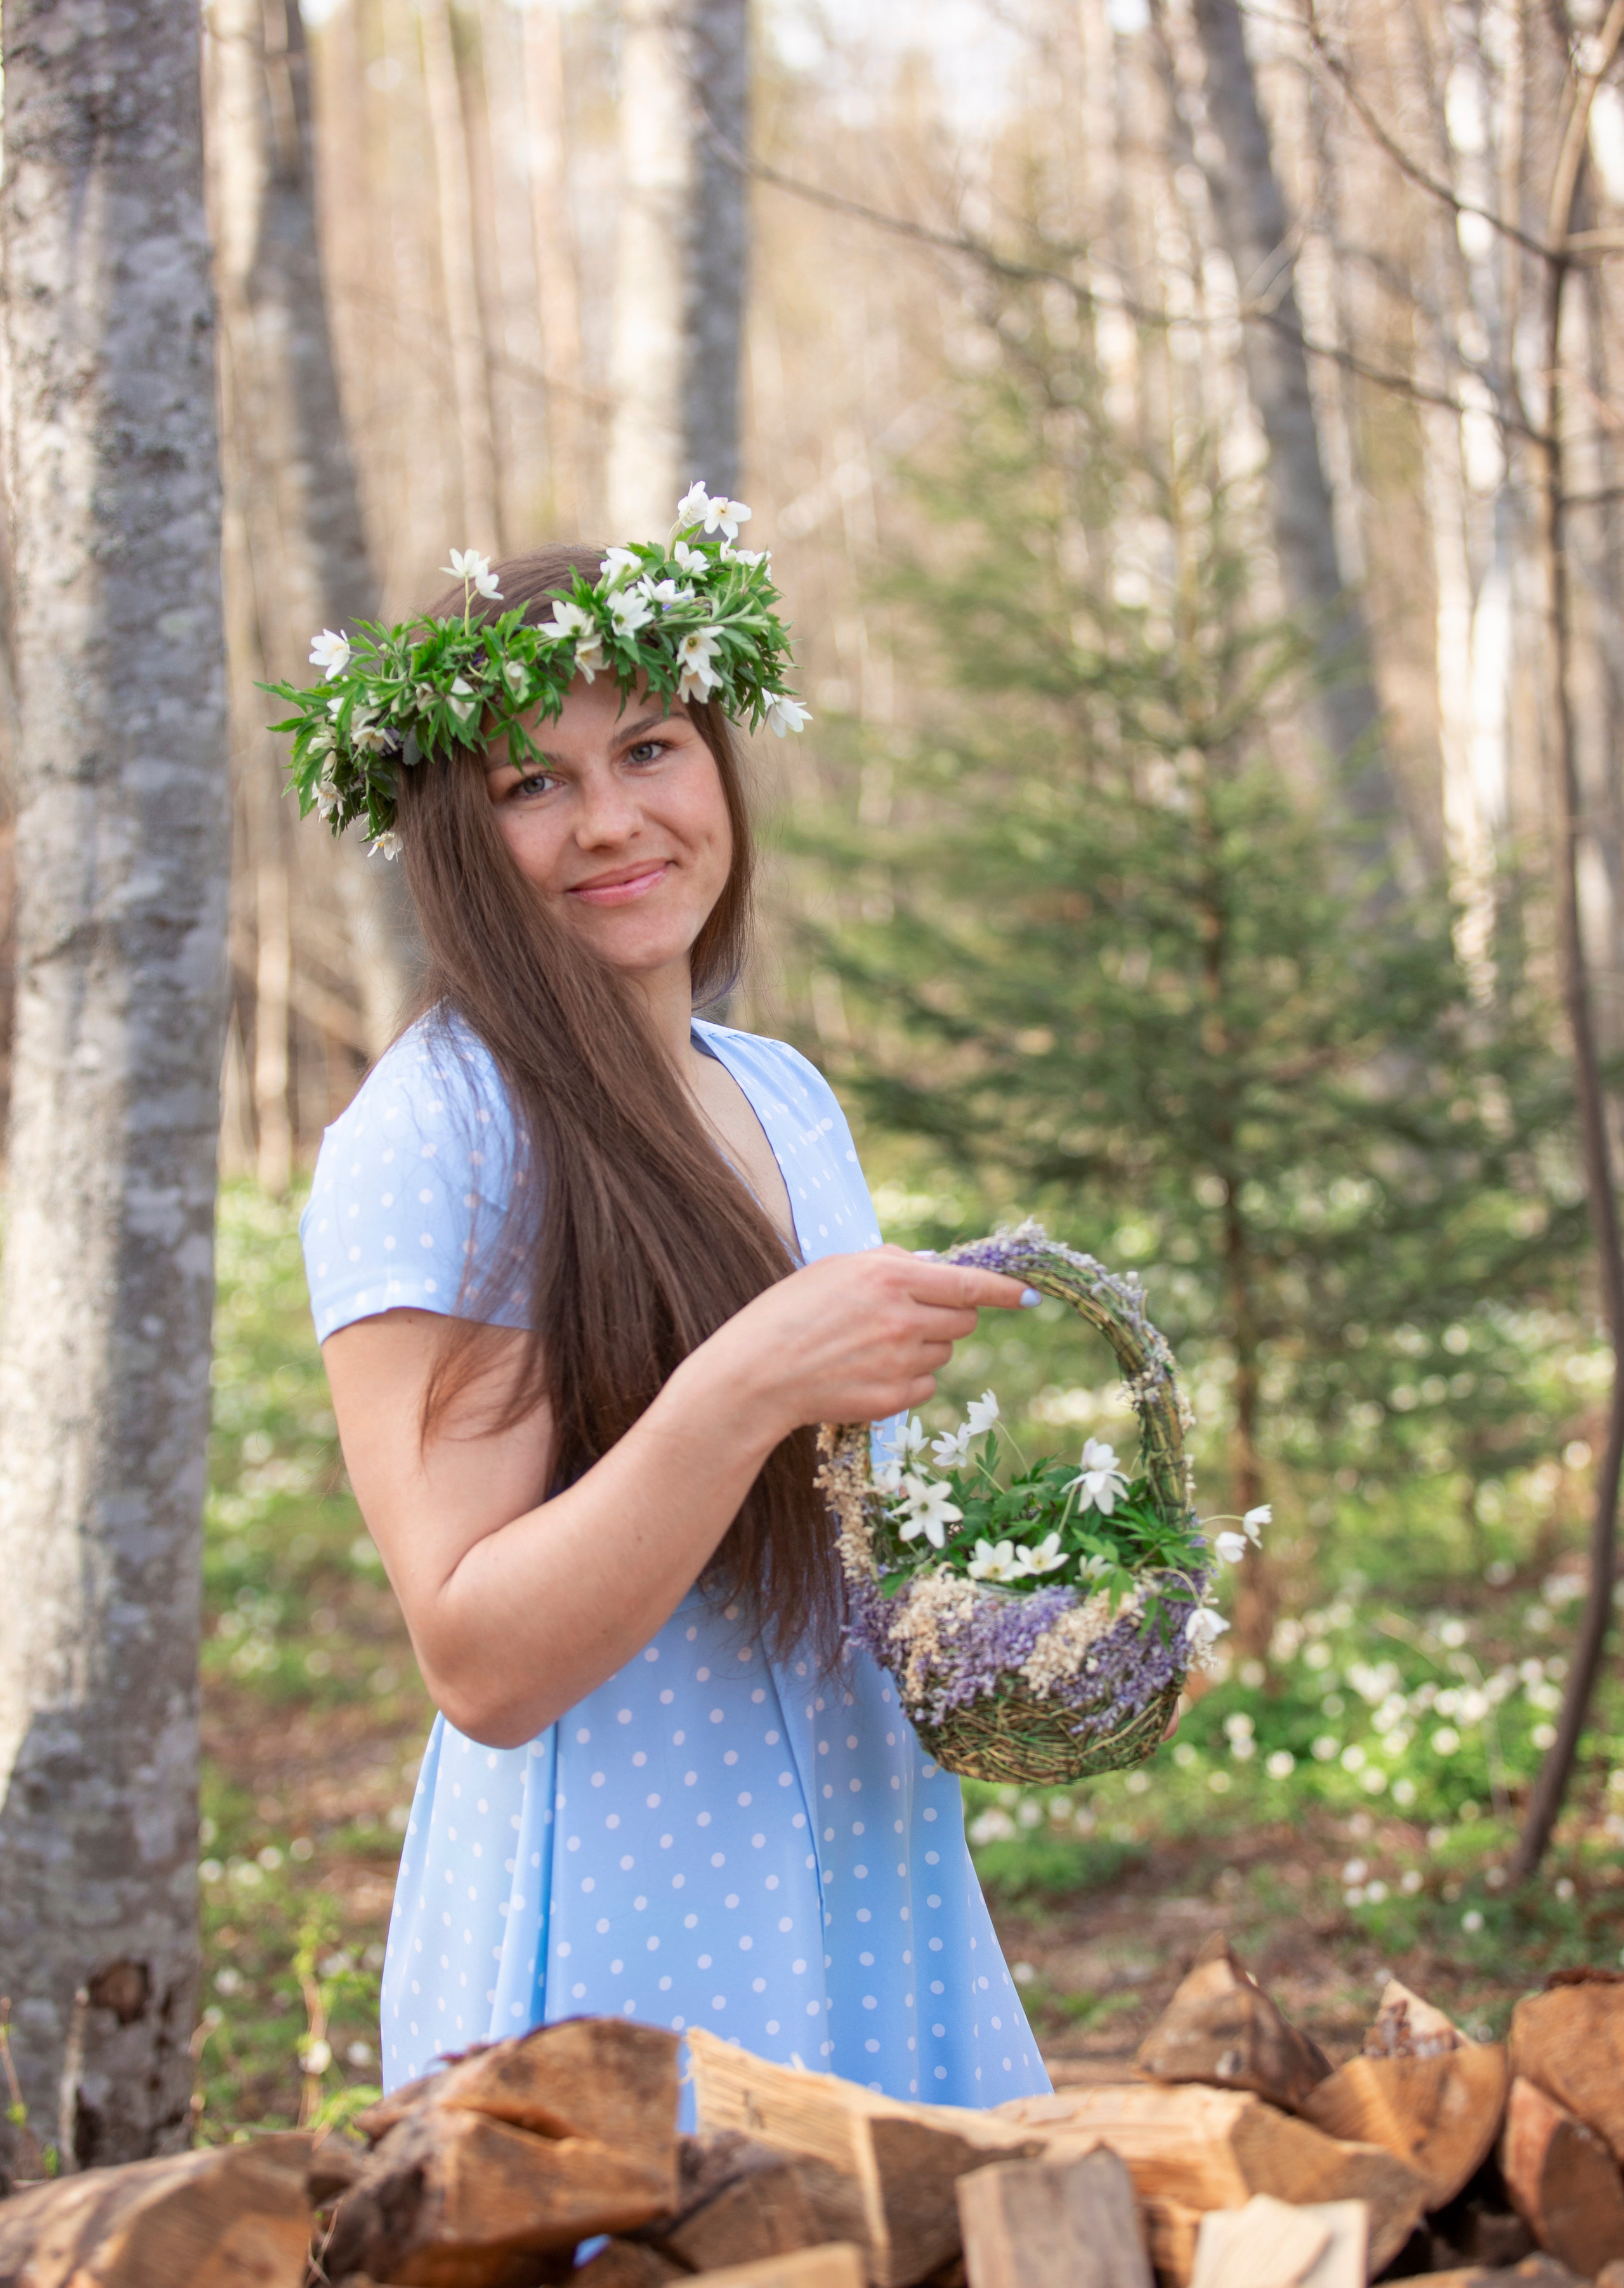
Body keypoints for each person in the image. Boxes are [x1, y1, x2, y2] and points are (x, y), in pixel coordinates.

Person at [289, 500, 1052, 2108]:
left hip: (864, 1865)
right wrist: (750, 1375)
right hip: (640, 1921)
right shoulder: (444, 1134)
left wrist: (1037, 1617)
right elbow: (480, 1658)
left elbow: (818, 1543)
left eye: (648, 749)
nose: (610, 822)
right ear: (451, 832)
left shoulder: (776, 1096)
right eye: (531, 784)